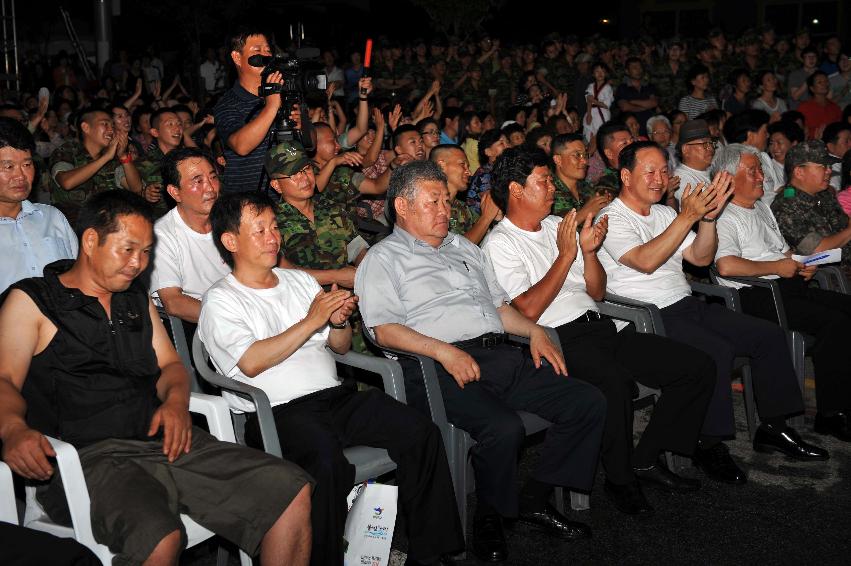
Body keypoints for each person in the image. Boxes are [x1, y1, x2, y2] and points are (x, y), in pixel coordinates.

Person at [0, 190, 312, 565]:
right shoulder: (34, 301)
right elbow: (4, 380)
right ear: (90, 241)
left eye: (146, 252)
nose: (138, 263)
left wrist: (177, 404)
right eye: (128, 249)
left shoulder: (135, 299)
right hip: (88, 459)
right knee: (159, 536)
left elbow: (170, 367)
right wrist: (13, 429)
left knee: (288, 489)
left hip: (164, 441)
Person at [356, 160, 605, 563]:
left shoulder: (465, 248)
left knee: (586, 401)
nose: (445, 210)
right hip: (434, 367)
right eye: (433, 201)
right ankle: (489, 517)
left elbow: (500, 307)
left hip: (497, 355)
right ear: (402, 206)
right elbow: (382, 330)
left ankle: (534, 497)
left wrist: (532, 330)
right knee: (502, 428)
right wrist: (443, 350)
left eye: (447, 201)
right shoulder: (382, 259)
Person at [198, 191, 464, 566]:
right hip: (278, 414)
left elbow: (338, 348)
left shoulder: (298, 282)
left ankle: (432, 552)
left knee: (420, 431)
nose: (273, 237)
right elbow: (251, 362)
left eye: (274, 227)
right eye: (259, 231)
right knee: (327, 463)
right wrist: (311, 320)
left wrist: (338, 322)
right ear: (230, 241)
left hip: (334, 397)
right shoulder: (221, 300)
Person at [484, 147, 714, 516]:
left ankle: (645, 457)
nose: (551, 188)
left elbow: (595, 292)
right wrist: (564, 257)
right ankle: (620, 479)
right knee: (615, 384)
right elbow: (526, 310)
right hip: (558, 339)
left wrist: (588, 254)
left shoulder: (554, 227)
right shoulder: (500, 243)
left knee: (695, 367)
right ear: (515, 190)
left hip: (601, 328)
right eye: (542, 181)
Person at [597, 141, 827, 486]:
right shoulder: (611, 218)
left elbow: (702, 259)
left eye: (664, 170)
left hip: (686, 304)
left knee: (768, 335)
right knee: (716, 350)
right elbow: (645, 261)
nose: (660, 179)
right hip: (647, 317)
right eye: (650, 171)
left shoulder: (662, 213)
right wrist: (688, 215)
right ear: (626, 176)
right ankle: (709, 442)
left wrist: (706, 220)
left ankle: (774, 426)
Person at [713, 143, 851, 441]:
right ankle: (830, 414)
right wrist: (778, 265)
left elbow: (782, 250)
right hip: (754, 294)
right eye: (752, 171)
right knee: (833, 322)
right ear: (728, 178)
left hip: (784, 283)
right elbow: (725, 266)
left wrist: (803, 263)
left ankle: (841, 400)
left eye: (760, 169)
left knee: (846, 308)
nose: (761, 176)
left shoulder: (761, 207)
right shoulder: (723, 216)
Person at [213, 27, 309, 193]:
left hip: (288, 202)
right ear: (237, 57)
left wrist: (303, 126)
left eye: (268, 50)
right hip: (249, 202)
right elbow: (241, 145)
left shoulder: (287, 92)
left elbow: (310, 144)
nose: (265, 56)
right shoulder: (227, 103)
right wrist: (272, 105)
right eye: (257, 51)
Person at [149, 147, 230, 327]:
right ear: (175, 192)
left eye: (213, 177)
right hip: (199, 327)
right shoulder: (161, 236)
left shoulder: (231, 219)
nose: (210, 187)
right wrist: (233, 318)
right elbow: (174, 302)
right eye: (197, 181)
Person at [0, 117, 77, 294]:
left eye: (27, 164)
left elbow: (78, 274)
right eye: (8, 166)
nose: (20, 175)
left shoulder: (52, 217)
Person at [49, 107, 145, 223]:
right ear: (86, 127)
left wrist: (124, 156)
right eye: (105, 124)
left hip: (103, 225)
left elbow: (136, 189)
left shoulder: (111, 157)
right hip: (70, 226)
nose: (111, 130)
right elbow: (66, 182)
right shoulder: (68, 151)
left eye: (112, 126)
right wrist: (105, 158)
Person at [772, 140, 851, 268]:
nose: (829, 171)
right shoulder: (785, 207)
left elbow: (842, 223)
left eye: (829, 167)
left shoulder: (823, 194)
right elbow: (816, 249)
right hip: (830, 278)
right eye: (823, 167)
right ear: (799, 172)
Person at [430, 144, 501, 244]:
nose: (469, 172)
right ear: (442, 165)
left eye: (468, 167)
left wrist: (496, 217)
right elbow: (456, 251)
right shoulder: (430, 208)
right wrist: (486, 218)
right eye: (462, 165)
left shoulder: (464, 209)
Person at [723, 110, 783, 205]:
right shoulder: (733, 162)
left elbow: (780, 188)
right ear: (750, 135)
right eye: (764, 131)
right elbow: (760, 200)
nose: (768, 135)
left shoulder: (764, 157)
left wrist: (792, 190)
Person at [550, 133, 609, 218]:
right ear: (558, 160)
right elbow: (555, 229)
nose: (584, 161)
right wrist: (586, 212)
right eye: (577, 155)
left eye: (585, 155)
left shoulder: (586, 188)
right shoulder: (549, 190)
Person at [673, 119, 715, 204]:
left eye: (711, 143)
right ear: (686, 149)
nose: (710, 148)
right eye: (704, 144)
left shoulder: (711, 169)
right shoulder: (681, 180)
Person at [466, 128, 508, 213]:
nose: (507, 146)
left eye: (507, 142)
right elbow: (495, 206)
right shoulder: (484, 175)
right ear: (488, 152)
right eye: (501, 143)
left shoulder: (503, 170)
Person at [615, 58, 658, 136]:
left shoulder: (649, 86)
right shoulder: (622, 88)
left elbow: (654, 103)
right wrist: (646, 106)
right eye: (634, 68)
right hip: (631, 129)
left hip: (649, 128)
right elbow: (625, 107)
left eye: (640, 67)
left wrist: (632, 102)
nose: (638, 70)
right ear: (627, 71)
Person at [797, 72, 842, 139]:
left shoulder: (835, 107)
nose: (824, 84)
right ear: (812, 88)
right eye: (820, 82)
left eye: (826, 81)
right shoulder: (804, 108)